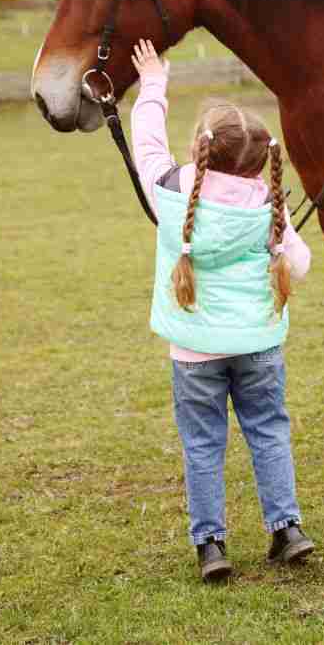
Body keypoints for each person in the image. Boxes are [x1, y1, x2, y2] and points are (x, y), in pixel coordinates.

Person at [130, 38, 314, 583]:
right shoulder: (268, 201)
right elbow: (300, 265)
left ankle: (211, 545)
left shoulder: (170, 190)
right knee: (269, 432)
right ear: (260, 161)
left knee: (202, 444)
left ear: (200, 148)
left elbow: (146, 143)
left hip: (193, 353)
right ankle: (287, 530)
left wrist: (154, 82)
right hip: (259, 346)